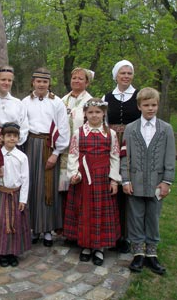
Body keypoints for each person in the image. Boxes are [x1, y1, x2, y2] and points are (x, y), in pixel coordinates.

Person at [121, 88, 175, 275]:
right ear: (139, 106)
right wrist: (125, 180)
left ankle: (152, 253)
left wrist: (167, 181)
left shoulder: (166, 129)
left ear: (158, 105)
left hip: (156, 183)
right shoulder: (130, 129)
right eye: (146, 105)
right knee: (135, 216)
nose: (150, 108)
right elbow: (124, 157)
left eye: (154, 105)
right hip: (135, 182)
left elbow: (170, 157)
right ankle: (138, 253)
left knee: (153, 216)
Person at [64, 98, 121, 266]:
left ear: (103, 113)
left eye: (98, 112)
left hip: (102, 178)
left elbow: (115, 157)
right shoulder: (79, 133)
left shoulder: (110, 134)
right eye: (91, 112)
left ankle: (99, 248)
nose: (94, 115)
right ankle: (85, 245)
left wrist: (113, 180)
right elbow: (73, 155)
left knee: (100, 211)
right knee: (84, 210)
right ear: (85, 114)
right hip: (84, 178)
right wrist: (74, 174)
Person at [21, 68, 69, 247]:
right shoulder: (25, 102)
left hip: (49, 146)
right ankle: (34, 228)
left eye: (45, 82)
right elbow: (22, 125)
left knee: (47, 188)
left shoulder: (56, 103)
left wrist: (56, 153)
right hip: (30, 145)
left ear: (49, 84)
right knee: (32, 186)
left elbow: (63, 128)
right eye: (38, 81)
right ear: (33, 82)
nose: (41, 85)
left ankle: (48, 229)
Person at [103, 59, 141, 253]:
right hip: (112, 144)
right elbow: (103, 121)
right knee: (113, 184)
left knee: (129, 186)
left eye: (129, 73)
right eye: (122, 73)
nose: (126, 76)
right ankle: (113, 233)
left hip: (133, 144)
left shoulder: (139, 96)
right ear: (116, 75)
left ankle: (128, 235)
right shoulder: (108, 96)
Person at [0, 123, 31, 267]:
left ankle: (13, 252)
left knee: (15, 223)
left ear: (18, 138)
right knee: (0, 223)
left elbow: (25, 179)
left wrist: (23, 200)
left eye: (14, 136)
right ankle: (1, 252)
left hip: (16, 195)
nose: (11, 139)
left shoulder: (22, 157)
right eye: (8, 136)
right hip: (1, 194)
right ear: (2, 138)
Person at [59, 68, 93, 192]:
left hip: (82, 148)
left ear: (87, 83)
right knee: (62, 188)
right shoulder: (62, 101)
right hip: (63, 150)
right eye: (74, 78)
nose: (76, 81)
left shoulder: (91, 102)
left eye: (80, 78)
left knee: (79, 187)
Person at [0, 65, 29, 145]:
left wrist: (13, 141)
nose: (6, 83)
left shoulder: (18, 103)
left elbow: (24, 128)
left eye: (9, 80)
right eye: (3, 80)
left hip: (13, 145)